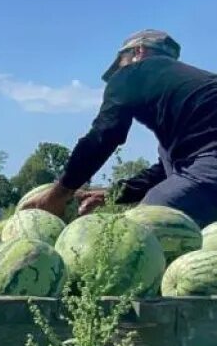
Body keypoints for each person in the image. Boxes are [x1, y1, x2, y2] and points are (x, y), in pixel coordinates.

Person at [21, 30, 217, 226]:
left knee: (141, 230)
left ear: (139, 51)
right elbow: (165, 172)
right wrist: (114, 193)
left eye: (121, 62)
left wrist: (60, 193)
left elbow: (104, 135)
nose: (118, 71)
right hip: (207, 162)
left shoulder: (132, 73)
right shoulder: (195, 93)